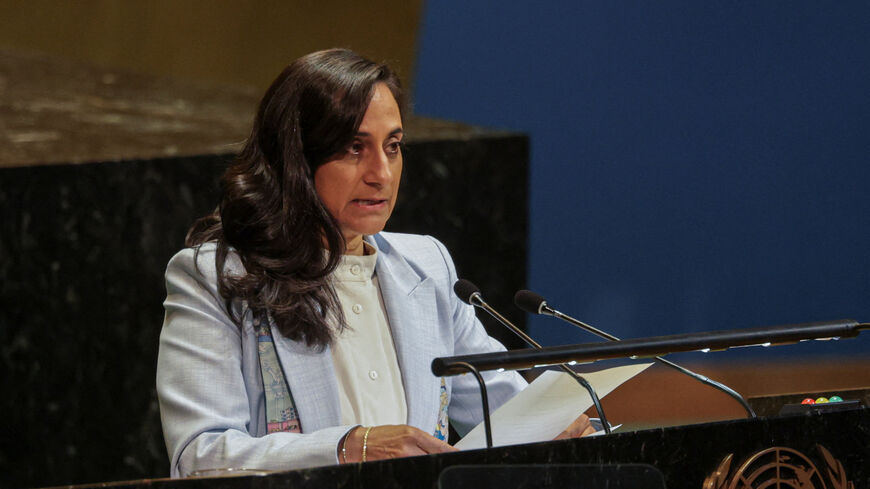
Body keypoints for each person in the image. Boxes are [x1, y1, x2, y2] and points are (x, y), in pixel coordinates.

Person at [156, 48, 593, 478]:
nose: (381, 173)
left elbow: (503, 405)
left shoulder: (427, 265)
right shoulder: (217, 278)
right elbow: (200, 457)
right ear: (296, 158)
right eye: (353, 147)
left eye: (393, 146)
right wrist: (349, 447)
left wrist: (553, 424)